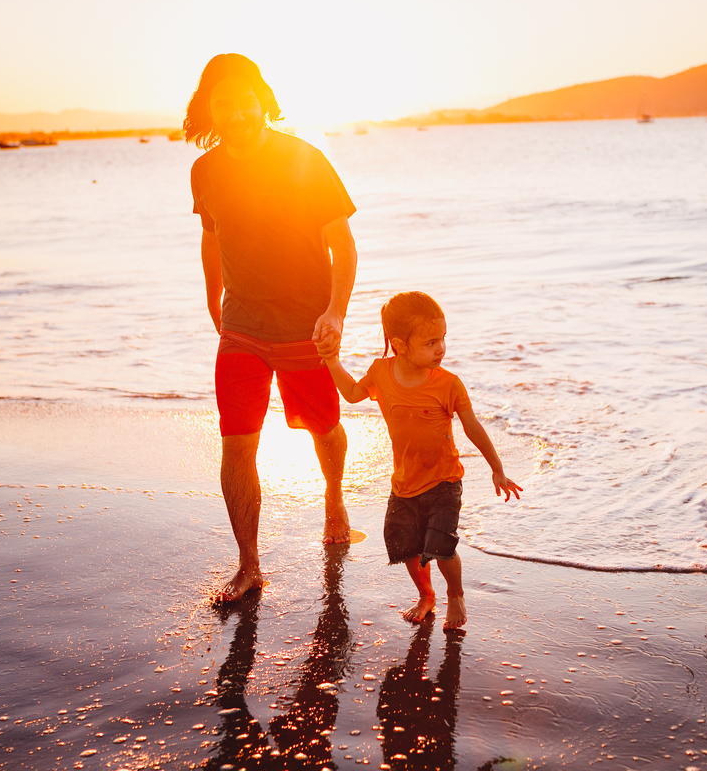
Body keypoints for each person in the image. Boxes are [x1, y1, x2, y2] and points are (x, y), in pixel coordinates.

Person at [187, 53, 359, 601]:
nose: (235, 113)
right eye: (223, 105)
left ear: (263, 102)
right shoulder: (205, 170)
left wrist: (334, 312)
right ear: (208, 111)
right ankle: (248, 564)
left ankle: (334, 497)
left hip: (305, 327)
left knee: (324, 428)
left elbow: (344, 244)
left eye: (244, 102)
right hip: (241, 328)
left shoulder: (303, 159)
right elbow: (212, 237)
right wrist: (213, 301)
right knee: (237, 444)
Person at [315, 291, 522, 630]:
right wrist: (334, 362)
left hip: (444, 481)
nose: (441, 348)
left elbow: (472, 428)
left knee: (441, 547)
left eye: (443, 339)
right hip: (405, 484)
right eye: (430, 342)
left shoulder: (449, 384)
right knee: (407, 548)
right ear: (400, 343)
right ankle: (427, 595)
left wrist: (497, 470)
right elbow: (353, 394)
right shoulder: (381, 373)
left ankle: (455, 595)